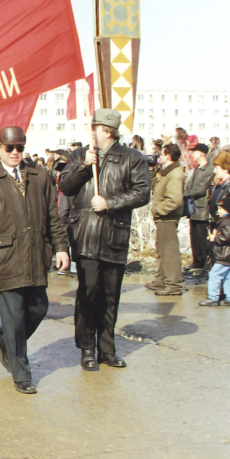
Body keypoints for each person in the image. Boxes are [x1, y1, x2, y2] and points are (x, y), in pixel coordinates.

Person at [0, 126, 70, 394]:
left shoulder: (40, 175)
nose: (15, 153)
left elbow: (52, 216)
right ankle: (22, 374)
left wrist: (61, 247)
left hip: (36, 253)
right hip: (5, 256)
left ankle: (2, 338)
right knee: (13, 317)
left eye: (20, 147)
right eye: (9, 147)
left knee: (38, 309)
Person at [60, 109, 150, 371]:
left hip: (114, 236)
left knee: (110, 296)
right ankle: (87, 349)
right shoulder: (80, 155)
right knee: (88, 294)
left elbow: (142, 192)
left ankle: (107, 350)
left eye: (95, 128)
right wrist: (83, 166)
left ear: (107, 131)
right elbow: (65, 186)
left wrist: (110, 203)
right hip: (86, 235)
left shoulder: (131, 157)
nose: (91, 133)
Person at [147, 143, 186, 296]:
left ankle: (174, 284)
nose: (159, 158)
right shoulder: (166, 172)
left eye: (162, 155)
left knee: (170, 251)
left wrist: (158, 210)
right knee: (162, 249)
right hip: (163, 218)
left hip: (167, 217)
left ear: (168, 156)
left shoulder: (175, 174)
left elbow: (175, 200)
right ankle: (161, 279)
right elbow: (155, 186)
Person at [200, 196, 230, 307]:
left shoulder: (228, 222)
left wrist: (215, 237)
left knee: (214, 274)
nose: (218, 211)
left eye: (220, 208)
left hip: (224, 255)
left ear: (227, 209)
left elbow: (227, 236)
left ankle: (213, 297)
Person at [186, 144, 215, 273]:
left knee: (201, 236)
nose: (192, 154)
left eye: (195, 152)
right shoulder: (197, 169)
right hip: (193, 208)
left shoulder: (209, 169)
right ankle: (196, 261)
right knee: (194, 236)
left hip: (202, 208)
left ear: (202, 153)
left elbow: (201, 189)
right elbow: (189, 185)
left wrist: (187, 194)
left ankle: (203, 262)